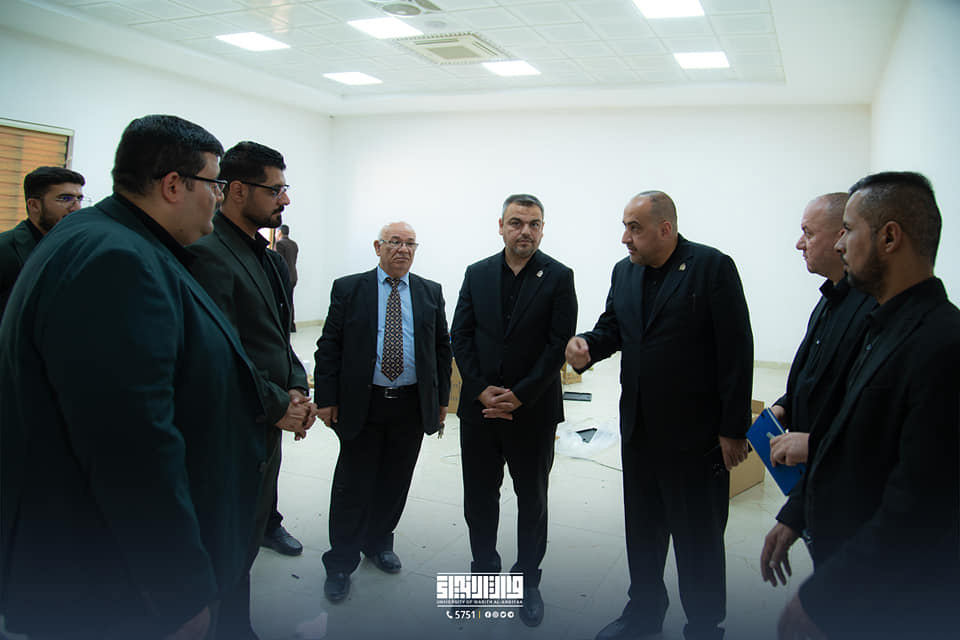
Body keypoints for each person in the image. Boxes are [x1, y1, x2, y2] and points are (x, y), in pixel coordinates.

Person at [0, 115, 280, 640]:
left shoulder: (105, 235)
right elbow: (131, 444)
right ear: (174, 185)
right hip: (106, 573)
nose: (219, 198)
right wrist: (178, 589)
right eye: (214, 184)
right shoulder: (117, 260)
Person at [762, 171, 959, 639]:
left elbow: (917, 507)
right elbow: (846, 433)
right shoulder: (883, 327)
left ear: (889, 238)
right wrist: (799, 512)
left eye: (848, 230)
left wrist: (825, 596)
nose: (840, 244)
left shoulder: (942, 344)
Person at [566, 191, 753, 640]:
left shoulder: (711, 267)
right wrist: (588, 346)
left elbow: (736, 349)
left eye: (634, 228)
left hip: (696, 436)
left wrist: (733, 429)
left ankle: (705, 625)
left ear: (665, 229)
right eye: (624, 227)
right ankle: (644, 612)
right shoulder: (624, 272)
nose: (624, 238)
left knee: (698, 538)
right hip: (640, 429)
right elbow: (614, 326)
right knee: (643, 530)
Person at [187, 141, 316, 639]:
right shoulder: (207, 253)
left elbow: (278, 338)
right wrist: (279, 404)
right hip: (230, 427)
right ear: (236, 190)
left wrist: (296, 388)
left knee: (243, 543)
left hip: (266, 423)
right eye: (275, 190)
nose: (285, 199)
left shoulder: (267, 256)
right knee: (223, 545)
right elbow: (219, 354)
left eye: (285, 188)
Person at [450, 193, 577, 627]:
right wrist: (479, 389)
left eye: (534, 224)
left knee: (532, 499)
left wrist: (521, 394)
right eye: (517, 222)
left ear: (542, 229)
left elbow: (557, 345)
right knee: (479, 498)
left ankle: (526, 583)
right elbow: (461, 335)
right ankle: (484, 574)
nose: (525, 231)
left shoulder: (559, 276)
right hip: (481, 411)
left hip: (533, 410)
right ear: (501, 226)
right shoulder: (477, 273)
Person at [313, 221, 452, 604]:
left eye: (410, 244)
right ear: (378, 247)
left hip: (410, 404)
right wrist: (326, 398)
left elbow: (442, 349)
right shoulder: (349, 288)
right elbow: (329, 345)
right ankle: (340, 562)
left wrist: (441, 401)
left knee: (395, 480)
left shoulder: (429, 291)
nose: (403, 249)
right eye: (394, 242)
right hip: (364, 402)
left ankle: (378, 543)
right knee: (353, 484)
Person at [768, 193, 875, 467]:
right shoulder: (829, 298)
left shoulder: (872, 308)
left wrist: (818, 444)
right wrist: (785, 407)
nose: (799, 244)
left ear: (842, 236)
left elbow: (866, 407)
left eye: (808, 233)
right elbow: (815, 378)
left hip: (841, 470)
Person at [0, 166, 85, 316]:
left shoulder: (74, 249)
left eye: (79, 199)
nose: (76, 208)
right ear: (34, 205)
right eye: (65, 199)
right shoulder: (5, 249)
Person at [275, 224, 299, 332]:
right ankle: (291, 325)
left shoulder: (279, 244)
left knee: (281, 301)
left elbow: (278, 262)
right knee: (289, 300)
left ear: (279, 232)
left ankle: (283, 326)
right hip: (293, 276)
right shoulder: (294, 244)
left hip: (284, 276)